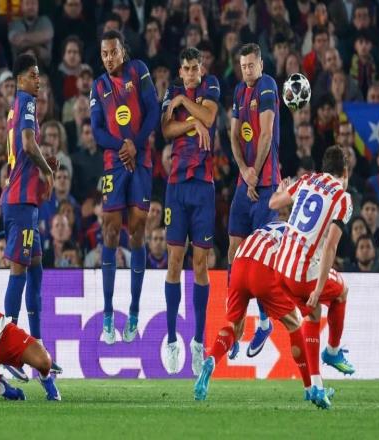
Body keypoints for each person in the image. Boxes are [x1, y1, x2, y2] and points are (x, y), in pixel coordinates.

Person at [194, 220, 329, 408]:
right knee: (294, 324)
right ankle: (310, 388)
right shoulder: (301, 236)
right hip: (262, 269)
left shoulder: (274, 225)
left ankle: (210, 360)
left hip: (239, 263)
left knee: (234, 328)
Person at [270, 145, 356, 409]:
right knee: (342, 291)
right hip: (302, 274)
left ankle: (316, 386)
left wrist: (281, 188)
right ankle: (333, 351)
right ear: (345, 171)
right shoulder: (343, 198)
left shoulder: (307, 180)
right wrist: (318, 288)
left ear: (322, 168)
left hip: (280, 268)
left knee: (313, 314)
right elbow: (330, 246)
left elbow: (273, 203)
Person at [90, 30, 159, 344]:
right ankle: (107, 315)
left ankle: (133, 312)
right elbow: (96, 130)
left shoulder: (138, 70)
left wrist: (136, 144)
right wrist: (123, 146)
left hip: (141, 159)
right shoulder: (98, 86)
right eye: (104, 53)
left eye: (113, 52)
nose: (108, 58)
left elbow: (153, 110)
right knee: (110, 231)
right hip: (114, 163)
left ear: (123, 51)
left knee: (139, 230)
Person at [0, 54, 61, 380]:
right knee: (20, 272)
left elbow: (20, 154)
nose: (39, 81)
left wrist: (42, 166)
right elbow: (26, 144)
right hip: (20, 203)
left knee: (35, 271)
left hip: (26, 202)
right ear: (21, 78)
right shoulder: (26, 103)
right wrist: (47, 169)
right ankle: (7, 351)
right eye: (34, 75)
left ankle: (38, 351)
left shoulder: (14, 109)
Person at [161, 47, 219, 376]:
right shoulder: (170, 91)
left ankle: (198, 342)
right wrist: (192, 121)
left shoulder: (211, 86)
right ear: (180, 71)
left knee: (200, 264)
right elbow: (166, 130)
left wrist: (185, 104)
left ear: (201, 68)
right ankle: (171, 339)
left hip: (203, 186)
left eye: (196, 67)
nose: (192, 73)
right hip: (176, 186)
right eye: (187, 68)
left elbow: (209, 118)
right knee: (173, 260)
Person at [227, 43, 282, 359]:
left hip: (267, 185)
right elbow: (233, 135)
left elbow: (266, 133)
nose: (247, 70)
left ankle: (264, 322)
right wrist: (244, 171)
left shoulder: (268, 86)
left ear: (261, 64)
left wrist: (255, 173)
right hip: (244, 183)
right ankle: (233, 328)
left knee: (259, 259)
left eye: (251, 64)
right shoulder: (238, 91)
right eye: (243, 65)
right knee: (234, 253)